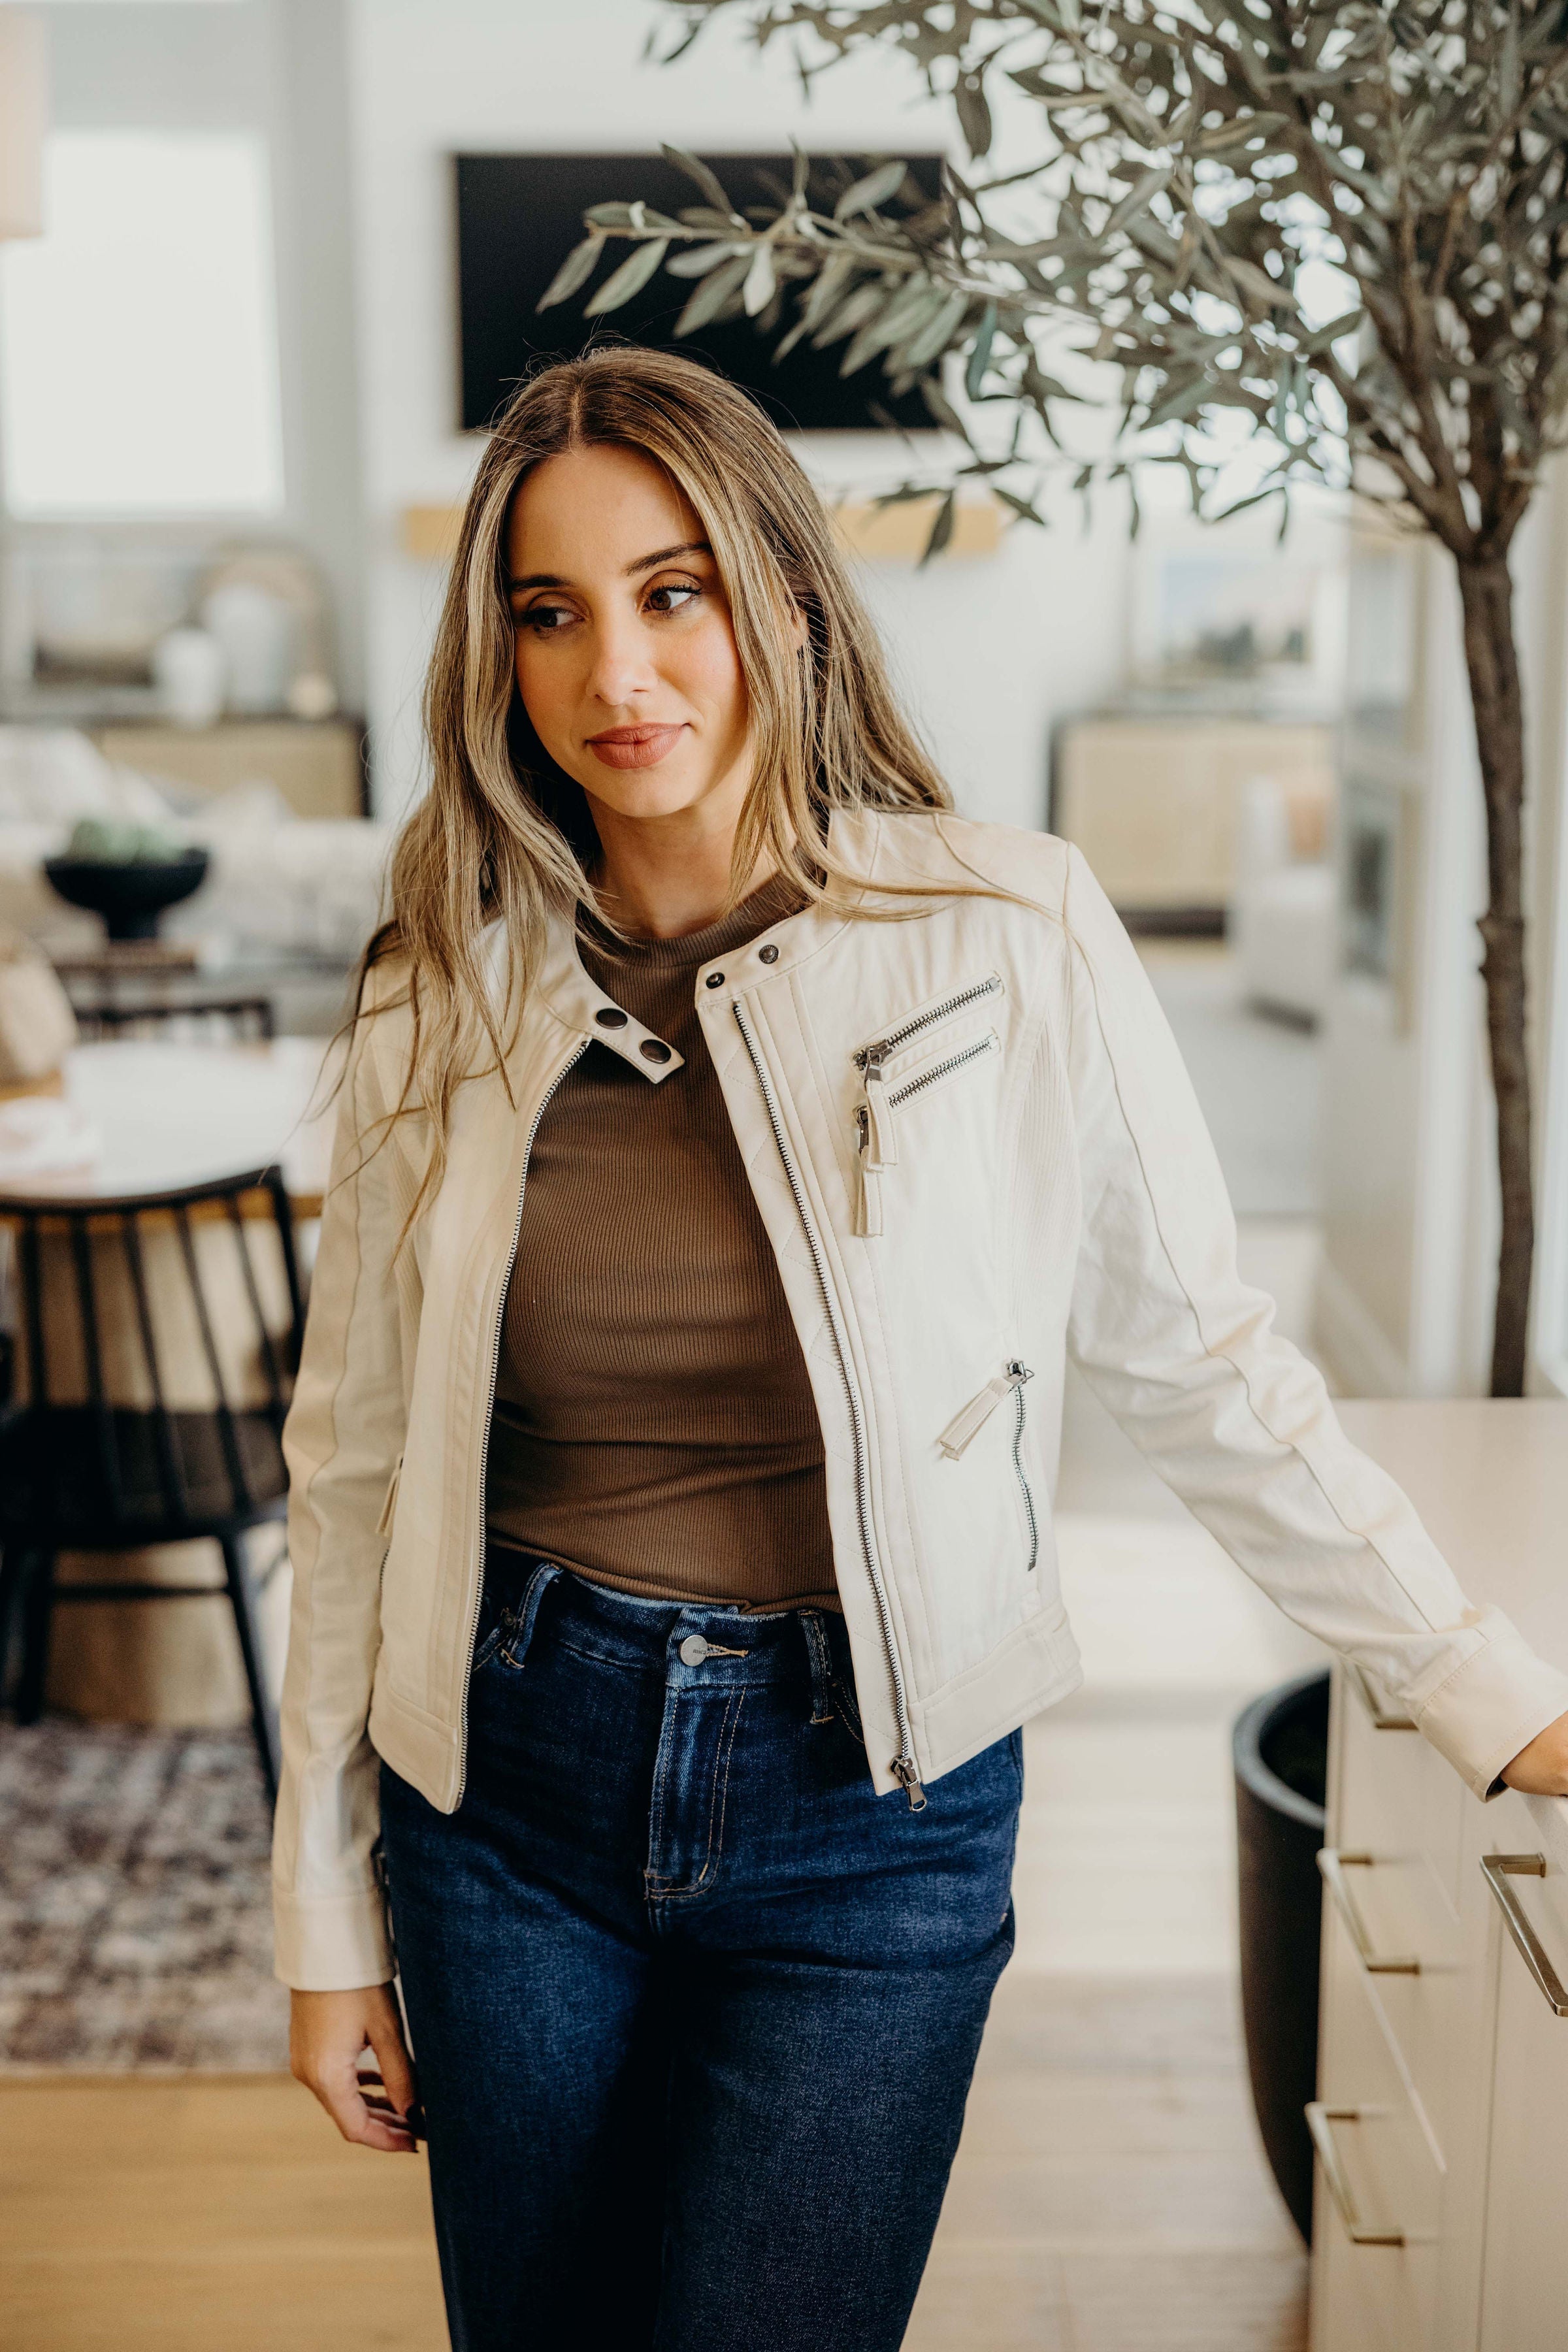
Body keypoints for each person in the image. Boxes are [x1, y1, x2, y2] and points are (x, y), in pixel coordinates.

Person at [276, 346, 1568, 2352]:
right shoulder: (438, 994)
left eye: (676, 588)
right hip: (506, 1790)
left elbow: (1197, 1359)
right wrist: (320, 1920)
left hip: (872, 1808)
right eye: (554, 611)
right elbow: (347, 1463)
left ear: (785, 596)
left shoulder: (1009, 927)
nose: (620, 666)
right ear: (500, 658)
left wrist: (1482, 1684)